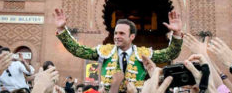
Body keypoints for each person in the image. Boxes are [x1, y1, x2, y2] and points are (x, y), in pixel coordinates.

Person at [53, 9, 184, 92]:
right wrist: (62, 31)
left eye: (121, 33)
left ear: (132, 36)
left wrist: (177, 33)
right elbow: (78, 50)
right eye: (116, 33)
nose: (117, 36)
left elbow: (170, 54)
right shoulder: (105, 52)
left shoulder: (142, 54)